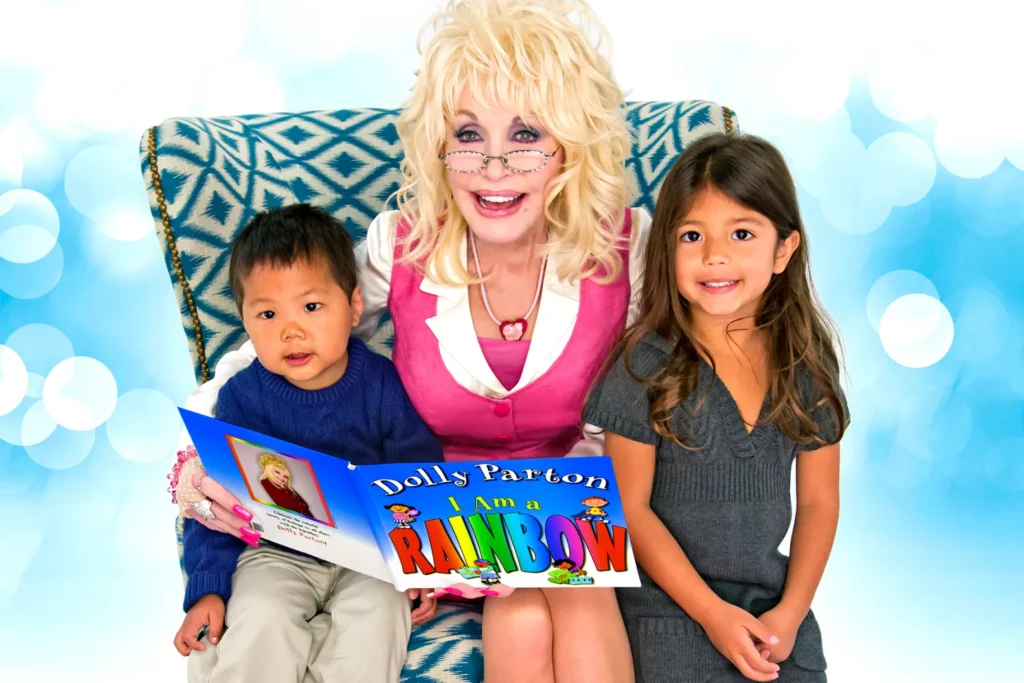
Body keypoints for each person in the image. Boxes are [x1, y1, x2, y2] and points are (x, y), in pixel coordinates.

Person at [168, 1, 651, 681]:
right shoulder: (403, 245)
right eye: (467, 134)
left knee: (574, 598)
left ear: (571, 142)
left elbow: (669, 385)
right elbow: (286, 339)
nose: (492, 165)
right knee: (519, 615)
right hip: (433, 520)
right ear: (438, 145)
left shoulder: (626, 244)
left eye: (525, 134)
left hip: (566, 506)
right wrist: (197, 451)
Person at [584, 133, 849, 682]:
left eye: (743, 233)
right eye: (692, 235)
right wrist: (710, 615)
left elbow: (820, 501)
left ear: (784, 250)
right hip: (668, 611)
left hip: (770, 606)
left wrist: (791, 614)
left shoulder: (805, 361)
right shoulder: (646, 363)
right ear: (667, 249)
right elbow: (629, 509)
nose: (714, 255)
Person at [172, 203, 444, 683]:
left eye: (312, 307)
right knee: (259, 614)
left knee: (379, 617)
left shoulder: (382, 384)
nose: (291, 330)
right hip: (275, 553)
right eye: (268, 313)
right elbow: (218, 506)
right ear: (245, 321)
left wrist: (419, 567)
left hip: (369, 558)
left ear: (354, 306)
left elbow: (415, 477)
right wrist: (207, 589)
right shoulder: (241, 398)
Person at [256, 453, 313, 518]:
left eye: (286, 476)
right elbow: (292, 507)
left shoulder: (287, 489)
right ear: (268, 471)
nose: (282, 478)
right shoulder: (266, 481)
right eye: (277, 472)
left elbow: (304, 506)